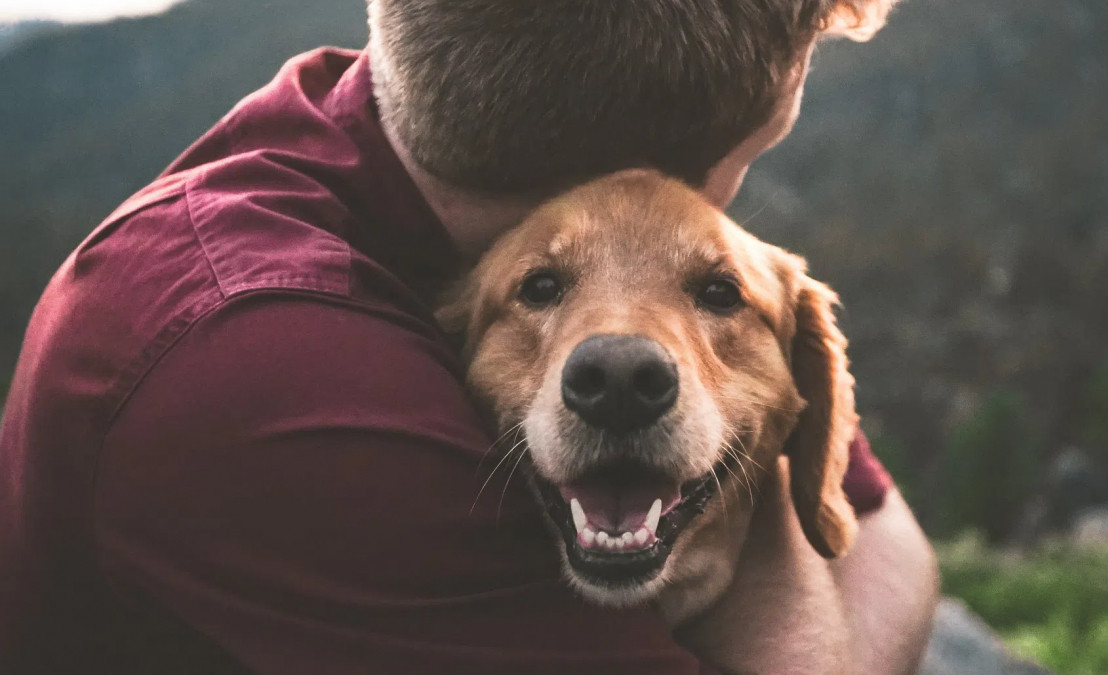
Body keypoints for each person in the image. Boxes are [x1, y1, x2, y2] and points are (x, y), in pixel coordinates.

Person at [0, 0, 938, 672]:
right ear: (648, 170)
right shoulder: (258, 367)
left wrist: (763, 460)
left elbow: (888, 534)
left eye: (709, 285)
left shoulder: (388, 130)